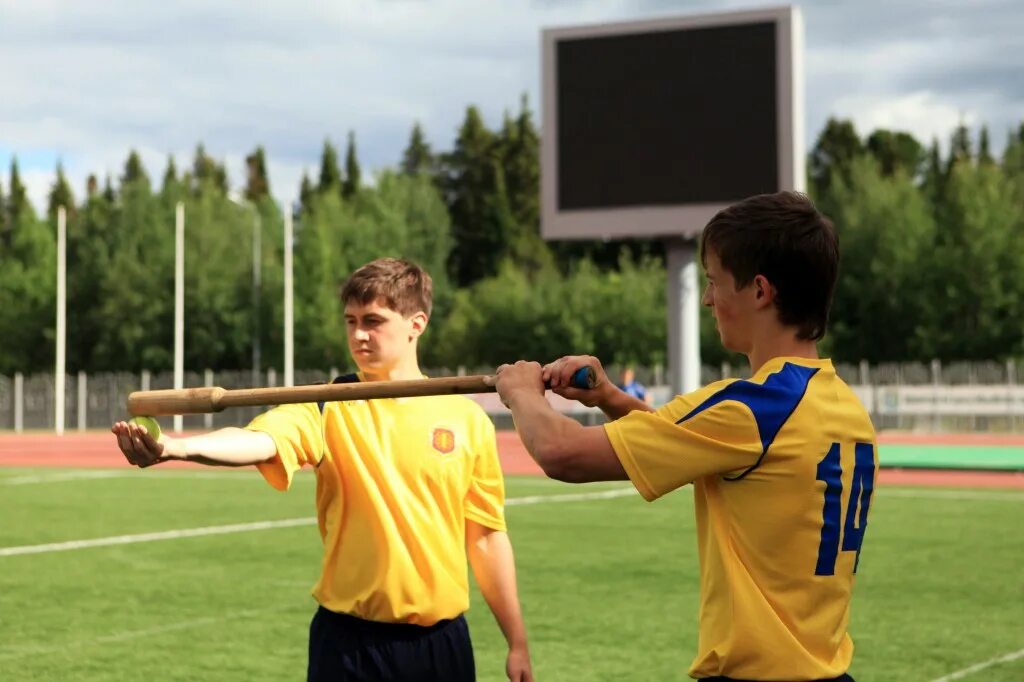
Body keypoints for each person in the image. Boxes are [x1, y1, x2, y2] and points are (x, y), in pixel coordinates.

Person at [491, 191, 876, 682]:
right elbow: (699, 444)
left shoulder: (752, 406)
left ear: (760, 291)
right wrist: (610, 397)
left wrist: (522, 391)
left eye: (715, 281)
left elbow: (563, 454)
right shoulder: (841, 404)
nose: (710, 299)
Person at [113, 257, 534, 682]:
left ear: (416, 323)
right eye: (350, 321)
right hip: (348, 646)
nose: (358, 335)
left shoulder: (467, 420)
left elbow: (485, 538)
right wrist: (177, 448)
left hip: (441, 646)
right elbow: (260, 441)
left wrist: (516, 641)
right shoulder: (326, 402)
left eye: (373, 321)